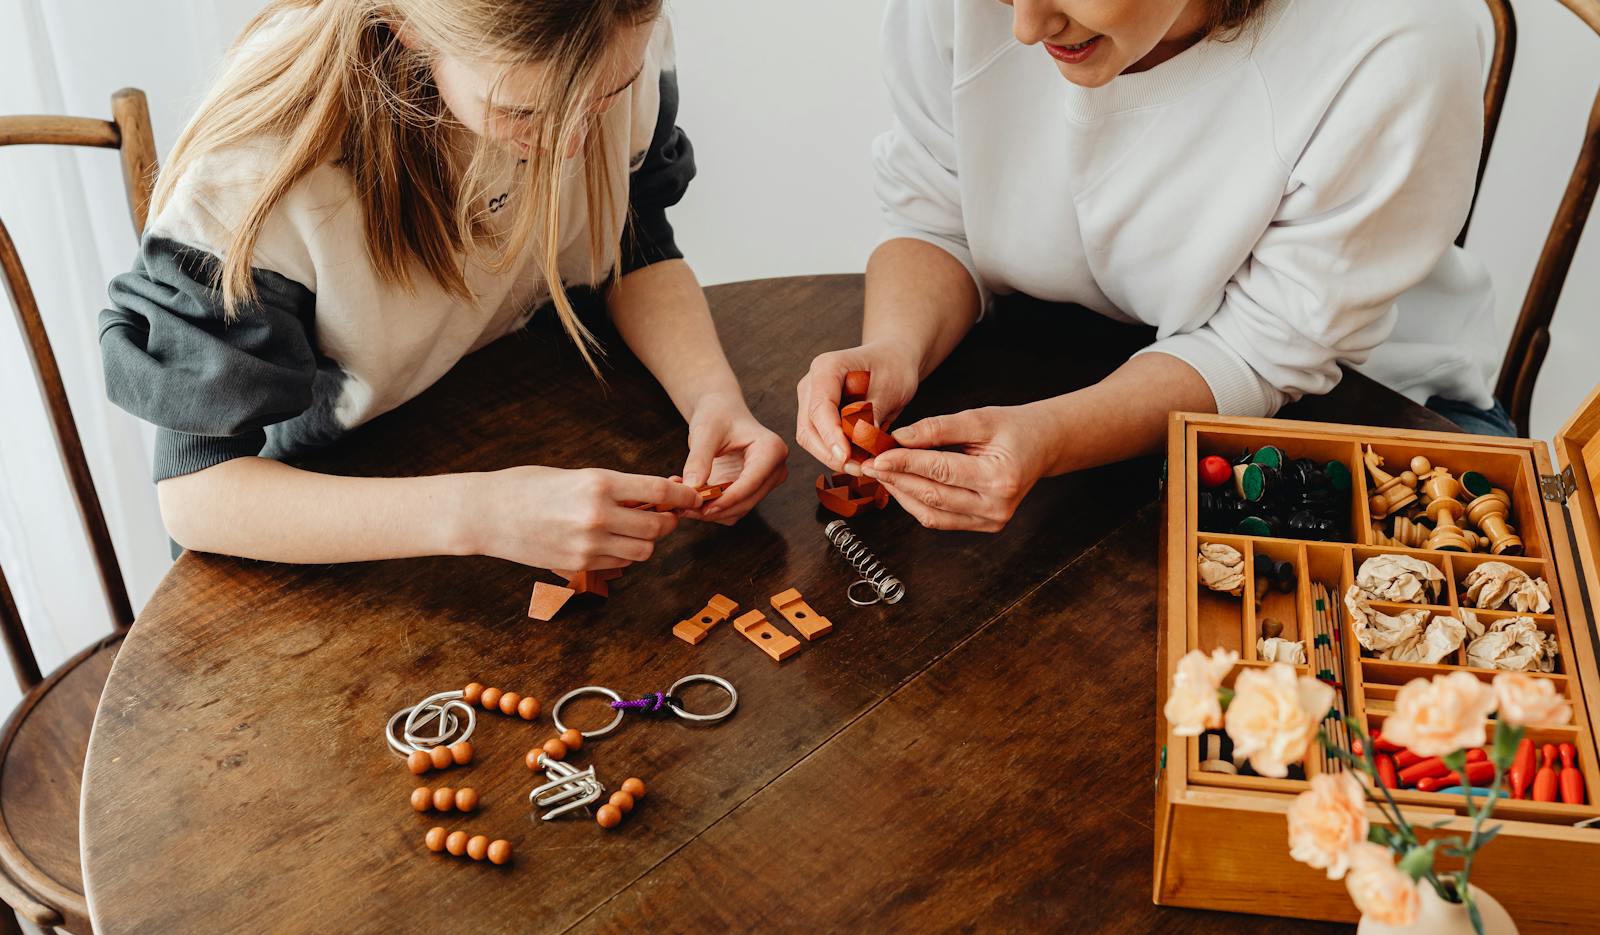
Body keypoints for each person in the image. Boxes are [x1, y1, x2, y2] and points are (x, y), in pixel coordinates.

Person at [102, 0, 787, 568]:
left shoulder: (615, 37)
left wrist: (712, 399)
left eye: (607, 98)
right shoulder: (255, 174)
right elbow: (197, 495)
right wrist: (480, 515)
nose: (572, 145)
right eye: (523, 115)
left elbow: (632, 243)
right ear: (406, 23)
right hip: (334, 506)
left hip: (520, 402)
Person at [795, 0, 1501, 533]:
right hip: (1064, 359)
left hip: (1367, 410)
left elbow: (1259, 348)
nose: (1025, 27)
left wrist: (1052, 436)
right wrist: (892, 346)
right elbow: (937, 210)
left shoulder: (1398, 37)